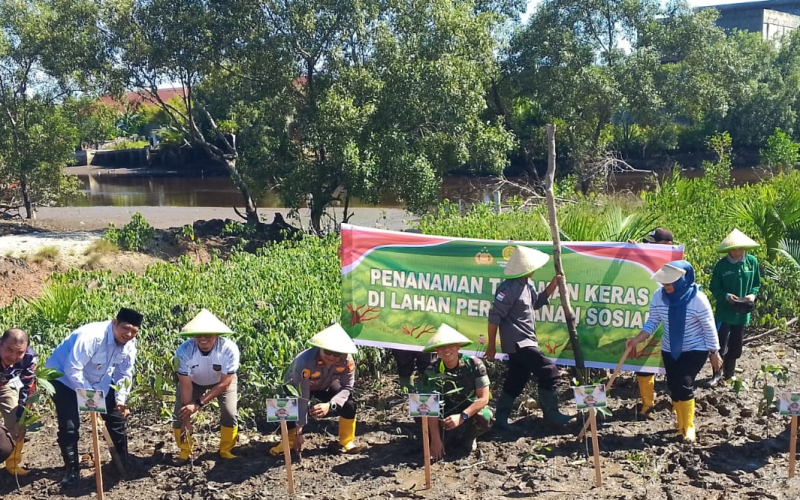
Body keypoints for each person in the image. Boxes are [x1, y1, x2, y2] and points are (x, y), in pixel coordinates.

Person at [45, 307, 142, 487]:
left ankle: (121, 462)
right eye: (125, 328)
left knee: (116, 419)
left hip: (99, 380)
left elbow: (124, 372)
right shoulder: (92, 336)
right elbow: (73, 369)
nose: (129, 334)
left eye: (134, 331)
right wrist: (91, 399)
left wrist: (121, 399)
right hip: (63, 378)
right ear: (114, 323)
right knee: (70, 426)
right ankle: (72, 470)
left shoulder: (129, 344)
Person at [626, 261, 721, 442]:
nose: (666, 287)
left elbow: (708, 327)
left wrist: (714, 352)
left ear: (682, 280)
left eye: (669, 283)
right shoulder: (658, 297)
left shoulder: (698, 299)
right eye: (664, 283)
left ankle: (689, 427)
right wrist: (637, 339)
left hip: (695, 348)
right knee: (674, 386)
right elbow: (653, 321)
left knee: (684, 383)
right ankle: (680, 425)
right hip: (670, 348)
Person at [485, 245, 574, 428]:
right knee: (549, 371)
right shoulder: (507, 289)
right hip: (518, 341)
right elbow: (494, 318)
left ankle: (501, 419)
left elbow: (537, 302)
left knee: (517, 377)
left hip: (527, 338)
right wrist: (491, 346)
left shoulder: (527, 284)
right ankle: (552, 415)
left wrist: (553, 284)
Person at [269, 324, 362, 456]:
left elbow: (347, 387)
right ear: (320, 348)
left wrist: (330, 405)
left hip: (325, 384)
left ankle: (346, 441)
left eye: (336, 354)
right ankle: (288, 441)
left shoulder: (347, 361)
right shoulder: (305, 361)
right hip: (297, 386)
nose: (331, 356)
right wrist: (299, 430)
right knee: (286, 404)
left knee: (349, 403)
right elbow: (302, 395)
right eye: (328, 352)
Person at [172, 309, 240, 462]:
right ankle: (185, 450)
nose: (203, 339)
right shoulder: (184, 351)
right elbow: (186, 385)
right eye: (198, 336)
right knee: (180, 415)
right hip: (194, 382)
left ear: (217, 335)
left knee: (230, 413)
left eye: (208, 336)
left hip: (222, 382)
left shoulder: (229, 349)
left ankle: (226, 450)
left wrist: (198, 403)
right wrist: (187, 419)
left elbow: (224, 383)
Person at [418, 324, 492, 461]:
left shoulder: (474, 364)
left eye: (451, 345)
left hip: (467, 412)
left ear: (458, 346)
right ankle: (440, 437)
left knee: (485, 415)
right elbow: (428, 407)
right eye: (441, 347)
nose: (446, 349)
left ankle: (469, 438)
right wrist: (435, 440)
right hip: (444, 412)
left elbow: (483, 398)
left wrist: (462, 417)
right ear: (436, 351)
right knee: (419, 414)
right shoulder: (431, 371)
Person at [705, 229, 761, 386]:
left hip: (742, 313)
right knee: (720, 344)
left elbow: (756, 283)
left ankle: (729, 375)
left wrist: (752, 295)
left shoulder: (752, 262)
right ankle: (716, 374)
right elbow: (714, 287)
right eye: (735, 248)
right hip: (724, 312)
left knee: (736, 346)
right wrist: (726, 296)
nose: (738, 251)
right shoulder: (721, 265)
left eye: (741, 248)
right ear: (729, 249)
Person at [630, 228, 675, 417]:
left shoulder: (677, 265)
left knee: (674, 365)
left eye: (653, 244)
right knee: (645, 361)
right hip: (647, 318)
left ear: (667, 246)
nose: (649, 247)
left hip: (671, 320)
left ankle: (678, 402)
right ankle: (647, 404)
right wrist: (633, 252)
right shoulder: (645, 259)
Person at [0, 329, 37, 475]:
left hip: (4, 385)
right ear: (1, 343)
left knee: (18, 423)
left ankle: (13, 463)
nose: (13, 356)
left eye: (19, 352)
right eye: (9, 350)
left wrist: (23, 411)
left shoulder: (29, 358)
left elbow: (28, 386)